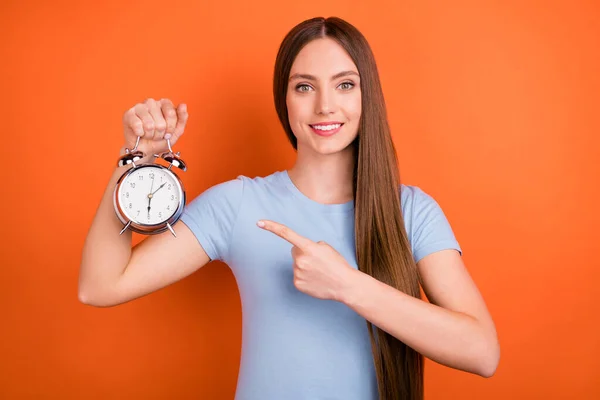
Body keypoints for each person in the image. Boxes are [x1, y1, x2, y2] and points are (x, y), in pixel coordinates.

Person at [79, 16, 499, 400]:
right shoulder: (238, 204)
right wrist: (133, 161)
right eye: (304, 86)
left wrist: (346, 285)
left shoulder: (413, 213)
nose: (325, 106)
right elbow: (100, 286)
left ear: (367, 95)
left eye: (345, 84)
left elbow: (482, 353)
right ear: (285, 100)